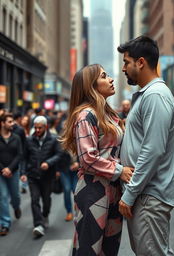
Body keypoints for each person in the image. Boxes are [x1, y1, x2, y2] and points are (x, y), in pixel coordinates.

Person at [60, 64, 133, 256]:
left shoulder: (108, 115)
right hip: (93, 191)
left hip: (114, 190)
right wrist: (120, 170)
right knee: (89, 250)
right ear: (91, 86)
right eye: (103, 76)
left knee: (110, 250)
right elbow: (88, 159)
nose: (110, 79)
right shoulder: (85, 115)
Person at [117, 36, 174, 256]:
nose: (123, 68)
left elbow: (153, 150)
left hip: (148, 196)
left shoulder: (155, 95)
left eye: (126, 62)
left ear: (140, 62)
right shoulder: (148, 95)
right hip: (145, 195)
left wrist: (130, 193)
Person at [20, 116, 62, 238]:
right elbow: (24, 158)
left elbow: (59, 154)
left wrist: (48, 163)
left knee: (46, 199)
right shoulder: (29, 140)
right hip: (33, 175)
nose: (37, 130)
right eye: (35, 127)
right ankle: (38, 225)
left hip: (47, 176)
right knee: (34, 199)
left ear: (46, 127)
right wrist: (23, 173)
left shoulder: (53, 139)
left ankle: (45, 215)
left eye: (40, 127)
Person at [0, 113, 22, 236]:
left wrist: (10, 168)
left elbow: (19, 154)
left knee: (15, 196)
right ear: (2, 123)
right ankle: (5, 224)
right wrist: (3, 169)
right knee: (2, 196)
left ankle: (16, 206)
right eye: (9, 121)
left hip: (13, 171)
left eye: (12, 121)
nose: (12, 123)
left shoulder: (16, 138)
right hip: (0, 173)